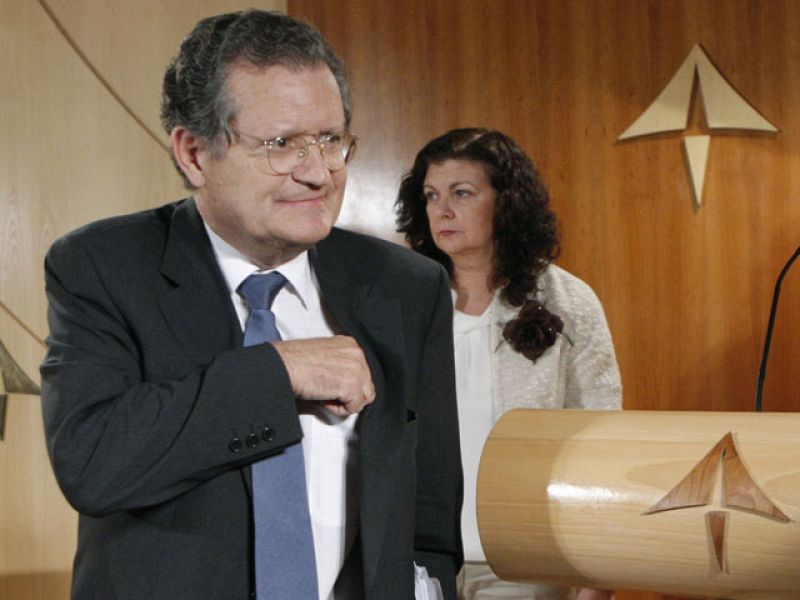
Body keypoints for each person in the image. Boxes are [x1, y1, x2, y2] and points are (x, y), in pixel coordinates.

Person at [41, 10, 462, 600]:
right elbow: (93, 462)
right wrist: (278, 373)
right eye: (282, 145)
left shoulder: (407, 285)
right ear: (194, 154)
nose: (319, 173)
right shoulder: (103, 265)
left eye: (331, 140)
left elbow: (430, 513)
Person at [396, 128, 622, 600]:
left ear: (506, 202)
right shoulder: (400, 298)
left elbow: (602, 439)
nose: (442, 210)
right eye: (432, 195)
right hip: (416, 555)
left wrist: (598, 575)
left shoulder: (568, 300)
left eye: (462, 193)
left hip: (525, 554)